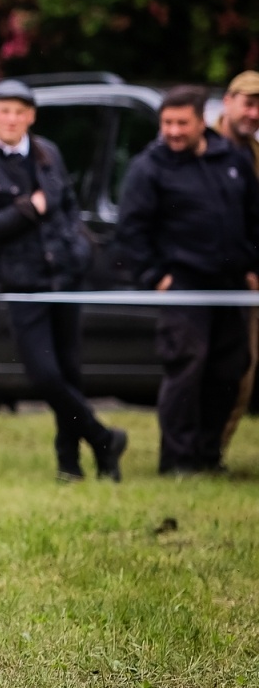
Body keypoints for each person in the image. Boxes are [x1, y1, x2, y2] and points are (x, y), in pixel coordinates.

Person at [0, 78, 128, 482]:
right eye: (4, 110)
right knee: (43, 374)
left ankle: (70, 463)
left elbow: (68, 207)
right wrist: (28, 208)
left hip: (66, 276)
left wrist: (78, 247)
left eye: (20, 112)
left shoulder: (47, 153)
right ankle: (102, 436)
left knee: (70, 372)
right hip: (23, 282)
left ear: (31, 117)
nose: (12, 119)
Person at [115, 86, 259, 475]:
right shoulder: (150, 166)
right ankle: (177, 461)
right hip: (183, 284)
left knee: (231, 367)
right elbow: (130, 230)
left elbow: (252, 215)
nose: (174, 131)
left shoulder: (232, 158)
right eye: (167, 123)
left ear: (201, 122)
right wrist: (155, 277)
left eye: (182, 123)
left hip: (230, 285)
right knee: (187, 367)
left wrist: (252, 267)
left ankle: (208, 455)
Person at [218, 71, 259, 451]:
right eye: (248, 102)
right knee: (231, 369)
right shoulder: (203, 146)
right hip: (220, 280)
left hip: (248, 279)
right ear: (228, 101)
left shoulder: (253, 153)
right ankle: (208, 452)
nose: (254, 112)